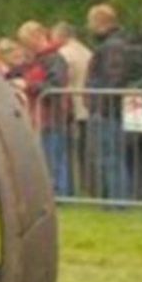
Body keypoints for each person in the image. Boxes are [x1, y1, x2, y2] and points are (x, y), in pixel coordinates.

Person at [87, 2, 139, 202]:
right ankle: (115, 199)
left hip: (108, 110)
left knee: (111, 157)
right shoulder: (115, 44)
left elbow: (113, 77)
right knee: (111, 157)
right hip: (110, 108)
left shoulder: (112, 46)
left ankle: (118, 200)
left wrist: (97, 98)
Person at [17, 20, 71, 196]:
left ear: (37, 37)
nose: (27, 48)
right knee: (48, 158)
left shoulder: (55, 59)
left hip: (53, 116)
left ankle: (60, 194)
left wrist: (28, 85)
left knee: (55, 159)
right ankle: (52, 193)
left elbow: (55, 85)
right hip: (41, 118)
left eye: (27, 43)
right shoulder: (37, 60)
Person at [53, 20, 95, 195]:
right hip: (86, 106)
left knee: (68, 151)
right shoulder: (87, 51)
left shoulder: (64, 54)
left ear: (61, 35)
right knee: (85, 150)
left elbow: (63, 78)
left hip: (71, 107)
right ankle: (88, 186)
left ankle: (69, 188)